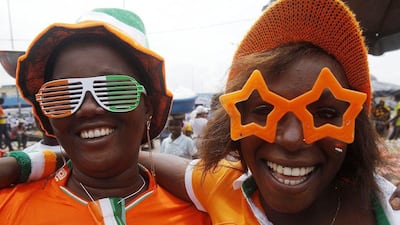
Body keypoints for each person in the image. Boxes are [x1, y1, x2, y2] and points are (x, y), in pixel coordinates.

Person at [1, 0, 400, 224]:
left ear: (151, 109)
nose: (292, 137)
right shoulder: (221, 193)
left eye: (326, 112)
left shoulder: (203, 205)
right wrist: (29, 161)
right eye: (262, 110)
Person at [0, 8, 210, 225]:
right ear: (49, 118)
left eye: (114, 90)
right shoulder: (8, 210)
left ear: (147, 107)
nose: (88, 108)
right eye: (63, 95)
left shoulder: (205, 215)